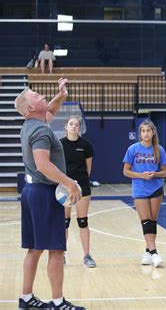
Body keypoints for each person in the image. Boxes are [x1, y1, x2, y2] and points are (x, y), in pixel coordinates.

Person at [15, 79, 85, 309]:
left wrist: (61, 94)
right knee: (56, 249)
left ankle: (26, 298)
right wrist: (70, 184)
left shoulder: (31, 124)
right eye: (36, 95)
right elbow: (43, 165)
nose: (42, 96)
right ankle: (58, 302)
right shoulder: (41, 130)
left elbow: (50, 109)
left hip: (31, 191)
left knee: (34, 248)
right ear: (31, 108)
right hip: (45, 193)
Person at [123, 120, 166, 268]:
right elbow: (126, 171)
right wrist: (141, 176)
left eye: (148, 131)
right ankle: (154, 253)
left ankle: (148, 253)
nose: (146, 133)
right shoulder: (133, 149)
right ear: (140, 133)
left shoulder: (159, 149)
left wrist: (154, 174)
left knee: (152, 222)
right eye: (143, 131)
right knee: (146, 221)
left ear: (153, 132)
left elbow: (165, 172)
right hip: (140, 189)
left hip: (155, 189)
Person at [60, 115, 96, 268]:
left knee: (83, 221)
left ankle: (87, 256)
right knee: (64, 222)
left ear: (79, 128)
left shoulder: (86, 145)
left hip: (82, 187)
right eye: (71, 124)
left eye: (76, 125)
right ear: (66, 126)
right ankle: (61, 255)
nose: (74, 127)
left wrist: (80, 181)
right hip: (64, 187)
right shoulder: (59, 144)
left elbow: (88, 169)